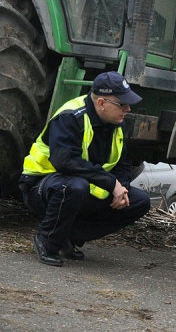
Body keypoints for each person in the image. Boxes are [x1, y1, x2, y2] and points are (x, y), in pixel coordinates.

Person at [19, 71, 151, 266]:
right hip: (41, 186)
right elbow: (66, 162)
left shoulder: (116, 124)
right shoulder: (70, 117)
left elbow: (122, 164)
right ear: (101, 103)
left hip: (82, 186)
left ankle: (67, 234)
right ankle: (47, 240)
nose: (128, 109)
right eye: (122, 104)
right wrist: (110, 183)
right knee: (74, 186)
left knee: (140, 201)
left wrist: (120, 188)